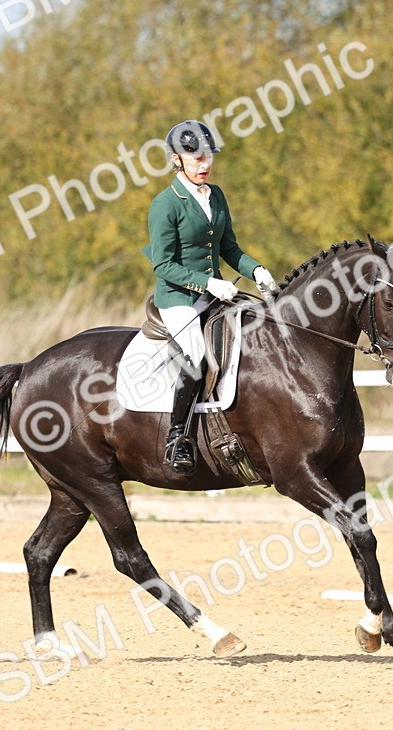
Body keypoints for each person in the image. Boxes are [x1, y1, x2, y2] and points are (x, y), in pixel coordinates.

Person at [141, 120, 277, 474]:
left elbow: (229, 248)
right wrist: (209, 283)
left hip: (216, 295)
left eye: (208, 157)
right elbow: (163, 265)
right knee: (197, 355)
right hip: (178, 300)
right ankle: (177, 440)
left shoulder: (215, 195)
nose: (204, 164)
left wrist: (256, 270)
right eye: (196, 158)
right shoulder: (165, 204)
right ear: (177, 160)